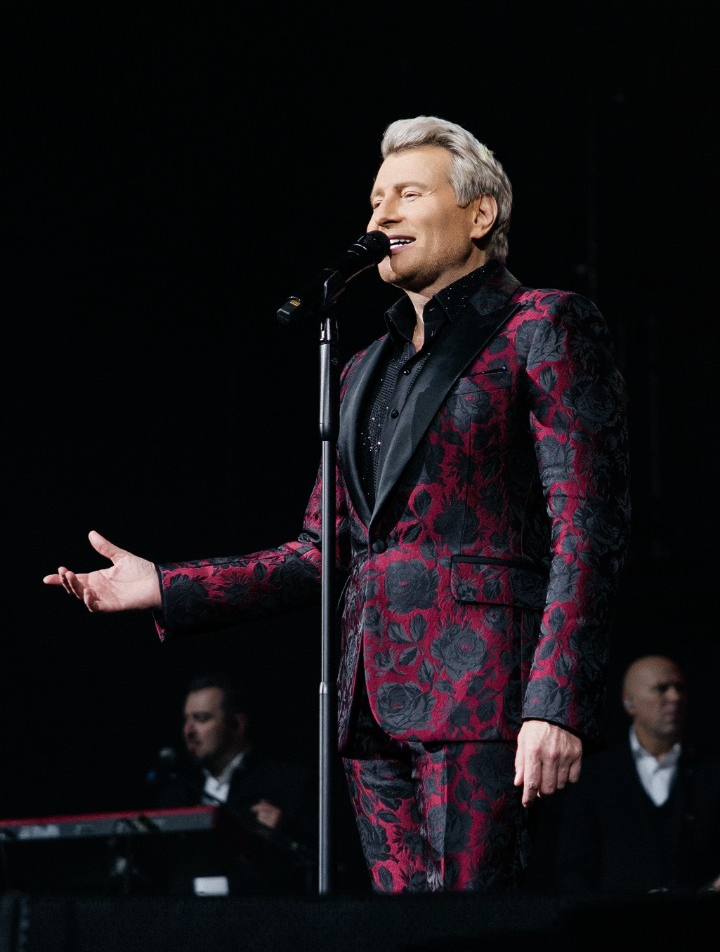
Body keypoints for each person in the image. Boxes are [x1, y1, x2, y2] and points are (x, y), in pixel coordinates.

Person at [43, 114, 631, 894]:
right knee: (397, 935)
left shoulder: (543, 324)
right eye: (375, 199)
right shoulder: (360, 368)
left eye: (407, 193)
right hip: (368, 706)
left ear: (480, 214)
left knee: (475, 929)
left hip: (487, 693)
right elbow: (320, 552)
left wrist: (555, 702)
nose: (381, 214)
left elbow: (587, 527)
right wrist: (166, 585)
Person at [527, 654, 720, 896]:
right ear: (630, 703)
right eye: (661, 689)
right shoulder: (595, 776)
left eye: (680, 688)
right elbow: (572, 866)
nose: (675, 697)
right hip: (616, 916)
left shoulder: (711, 770)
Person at [145, 672, 316, 895]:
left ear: (237, 724)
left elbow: (318, 865)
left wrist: (284, 832)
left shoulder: (284, 783)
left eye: (201, 718)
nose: (188, 731)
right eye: (186, 719)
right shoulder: (178, 789)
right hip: (186, 911)